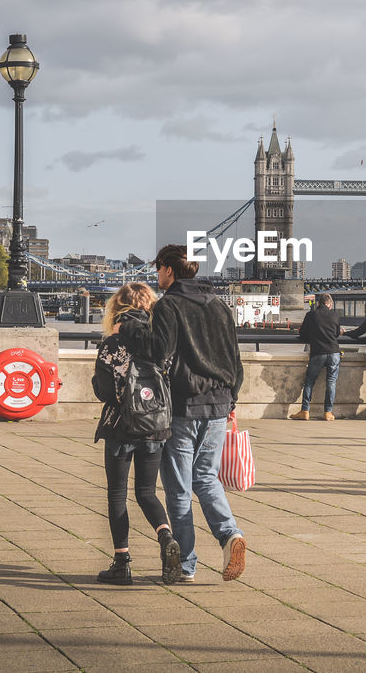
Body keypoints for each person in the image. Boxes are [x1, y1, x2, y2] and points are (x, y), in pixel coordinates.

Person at [120, 244, 246, 583]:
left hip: (184, 408)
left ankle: (186, 566)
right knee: (206, 478)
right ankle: (230, 534)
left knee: (178, 488)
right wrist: (230, 399)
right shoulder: (220, 305)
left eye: (158, 268)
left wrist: (129, 329)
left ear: (169, 270)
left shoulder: (168, 305)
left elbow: (158, 350)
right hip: (219, 406)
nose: (156, 274)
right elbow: (236, 362)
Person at [91, 283, 180, 585]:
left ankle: (121, 562)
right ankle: (166, 537)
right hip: (154, 427)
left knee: (117, 494)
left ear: (117, 307)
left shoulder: (114, 343)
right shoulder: (160, 342)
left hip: (120, 427)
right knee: (147, 492)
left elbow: (106, 391)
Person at [291, 293, 341, 421]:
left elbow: (302, 334)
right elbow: (336, 333)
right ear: (329, 304)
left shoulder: (311, 315)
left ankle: (305, 411)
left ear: (318, 303)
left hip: (318, 352)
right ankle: (328, 413)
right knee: (331, 382)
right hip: (334, 352)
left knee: (309, 382)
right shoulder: (335, 314)